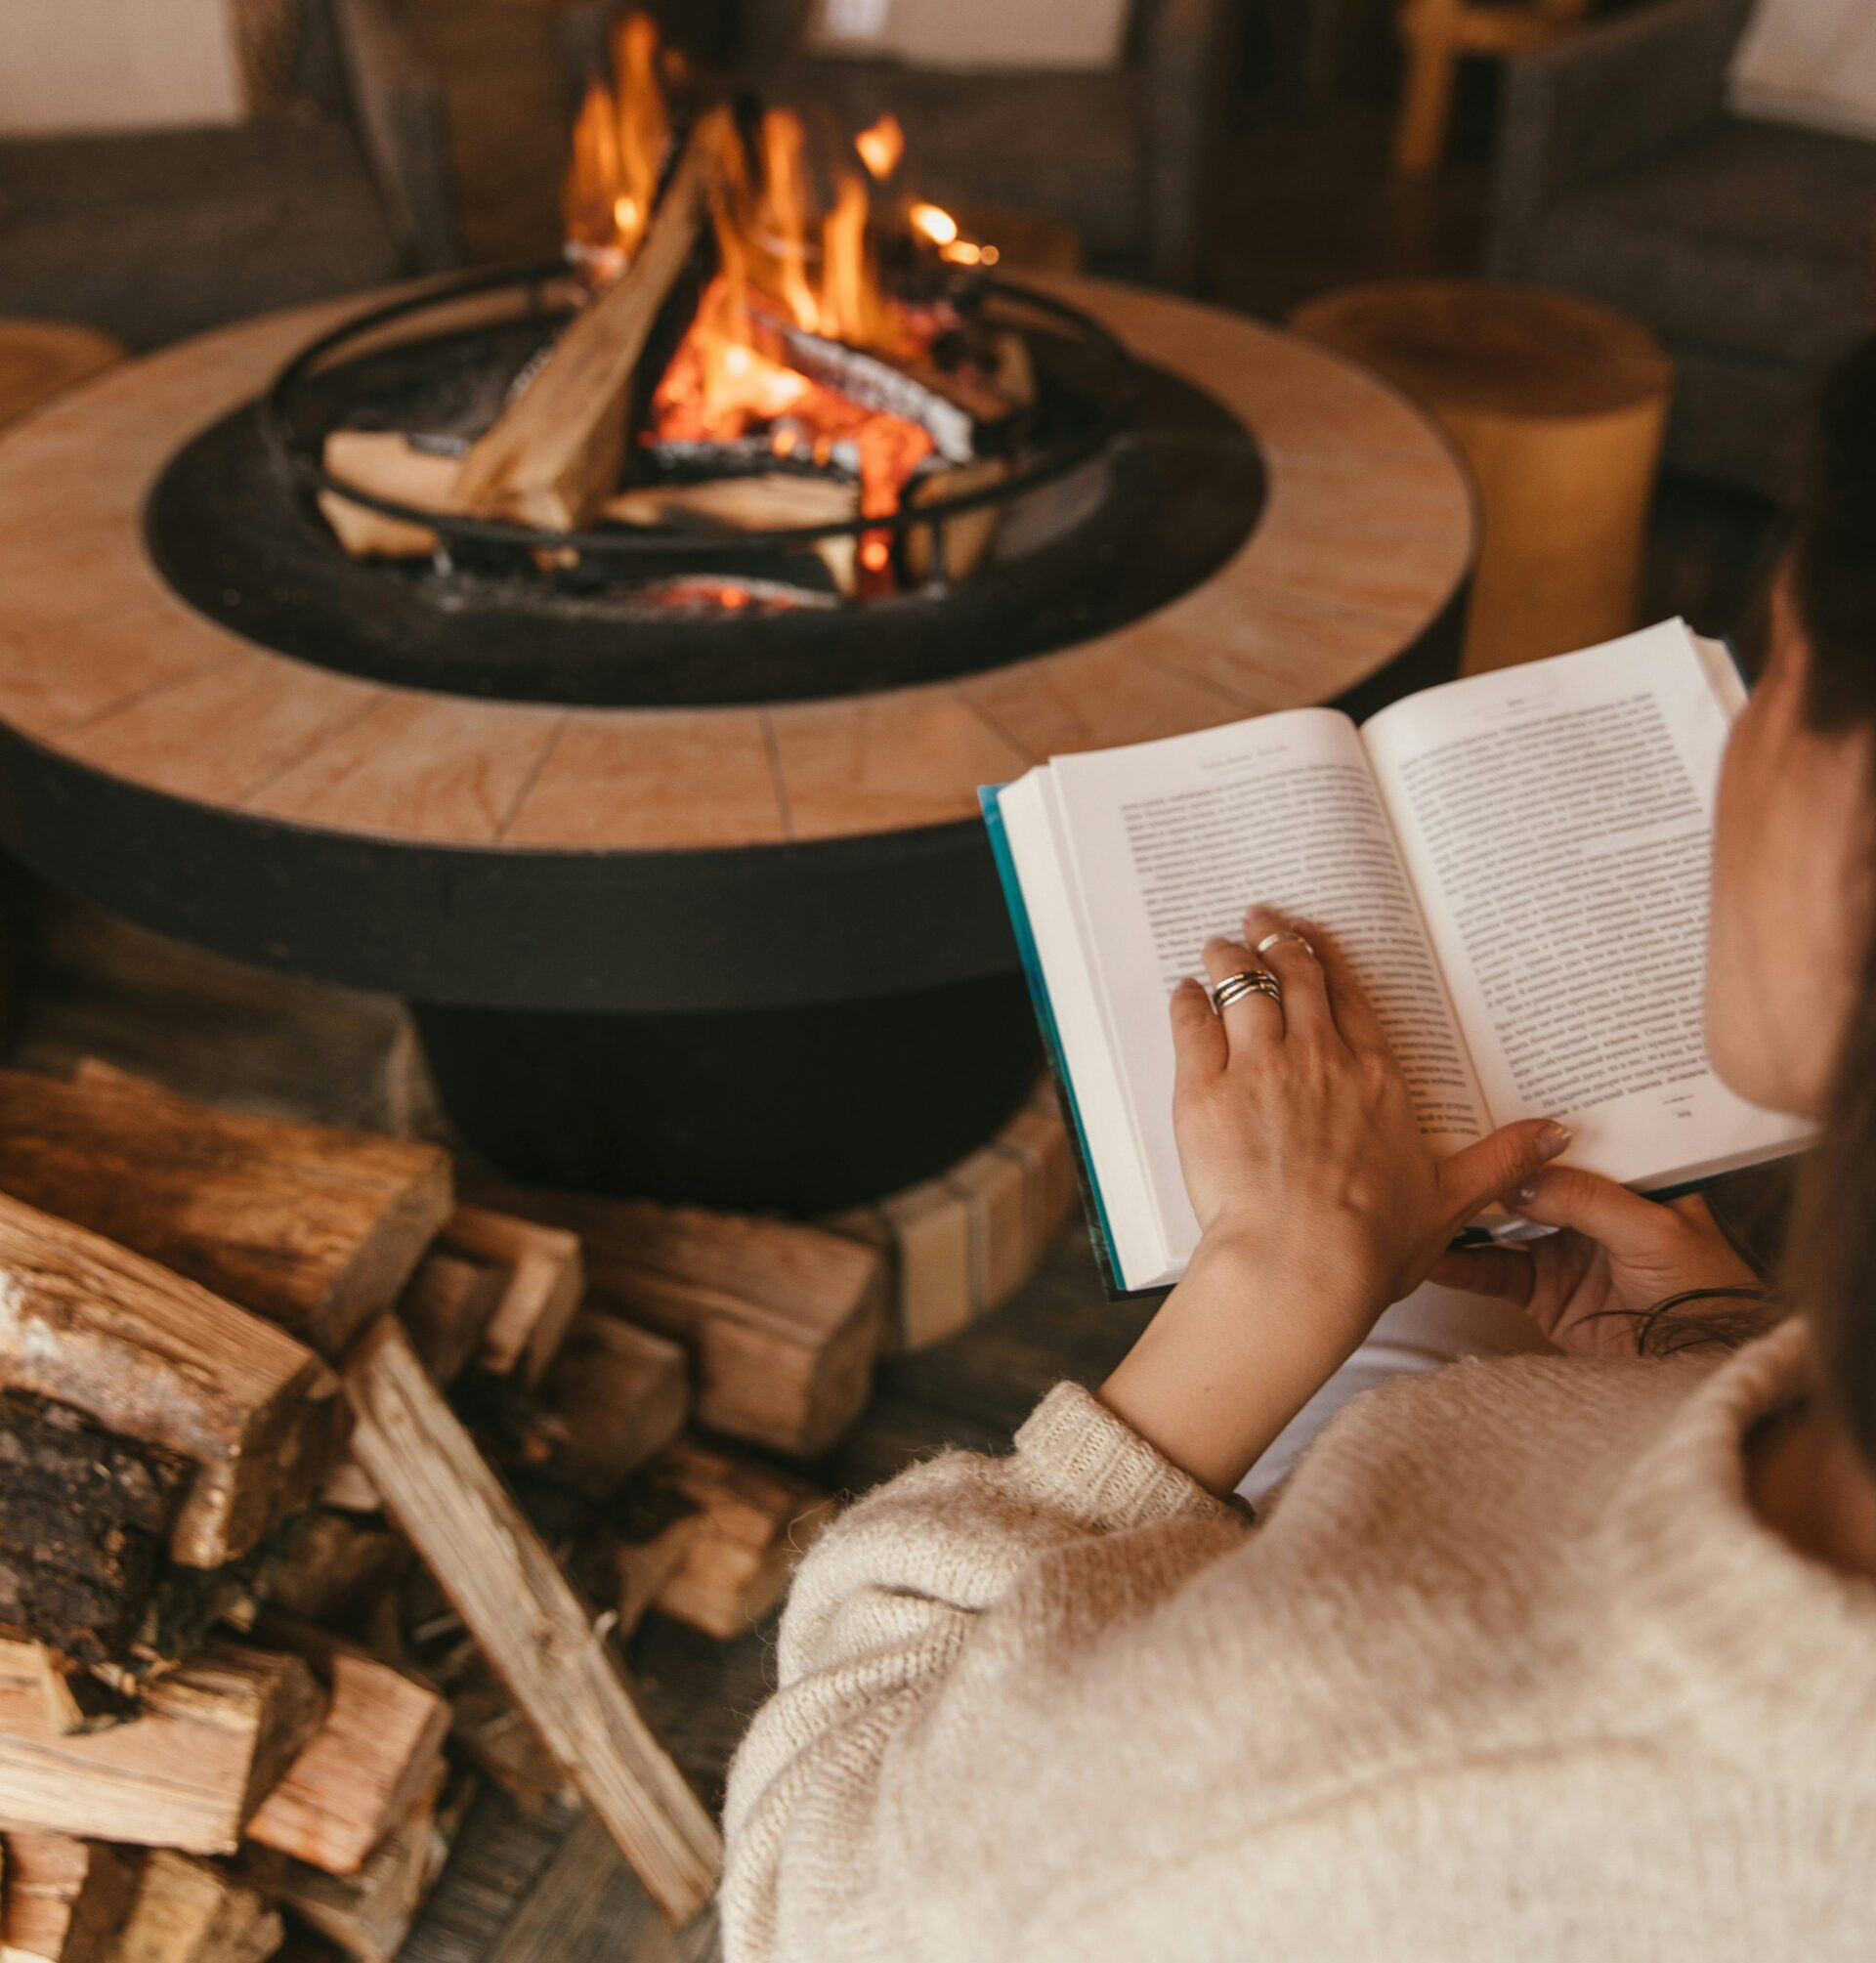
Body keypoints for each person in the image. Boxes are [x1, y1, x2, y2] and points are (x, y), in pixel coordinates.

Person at [718, 338, 1876, 1959]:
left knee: (1390, 1331)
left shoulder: (1353, 1756)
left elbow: (810, 1881)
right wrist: (1723, 1353)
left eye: (1770, 677)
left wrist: (1262, 1286)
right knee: (1440, 1313)